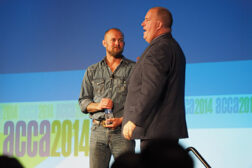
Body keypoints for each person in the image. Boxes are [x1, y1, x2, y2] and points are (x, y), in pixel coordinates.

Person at [122, 7, 188, 150]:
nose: (142, 24)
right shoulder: (172, 46)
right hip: (164, 131)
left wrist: (135, 119)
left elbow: (151, 88)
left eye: (147, 20)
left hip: (156, 132)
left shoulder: (159, 49)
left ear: (158, 25)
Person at [78, 28, 135, 168]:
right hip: (98, 131)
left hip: (122, 131)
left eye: (121, 40)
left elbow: (138, 103)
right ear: (104, 43)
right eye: (113, 40)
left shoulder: (134, 68)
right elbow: (83, 102)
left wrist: (122, 120)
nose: (117, 43)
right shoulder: (92, 70)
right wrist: (98, 105)